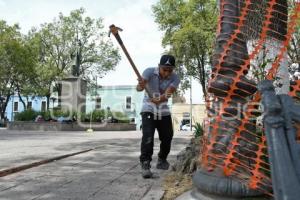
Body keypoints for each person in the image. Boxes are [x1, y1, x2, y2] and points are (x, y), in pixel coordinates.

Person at [136, 54, 180, 178]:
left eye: (169, 70)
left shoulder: (175, 78)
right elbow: (139, 88)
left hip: (163, 110)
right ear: (159, 66)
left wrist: (159, 99)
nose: (166, 73)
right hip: (148, 108)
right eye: (164, 69)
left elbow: (167, 95)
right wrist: (141, 84)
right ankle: (145, 163)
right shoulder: (149, 72)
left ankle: (162, 159)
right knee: (148, 136)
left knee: (168, 136)